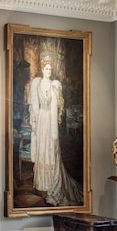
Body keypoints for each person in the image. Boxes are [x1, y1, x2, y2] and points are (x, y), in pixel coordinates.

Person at [28, 55, 82, 206]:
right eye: (46, 68)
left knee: (51, 150)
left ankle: (52, 182)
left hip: (50, 121)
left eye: (50, 69)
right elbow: (34, 105)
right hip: (41, 120)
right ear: (42, 69)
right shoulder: (37, 84)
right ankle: (41, 183)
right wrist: (34, 121)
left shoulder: (55, 85)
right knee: (42, 150)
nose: (48, 71)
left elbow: (57, 108)